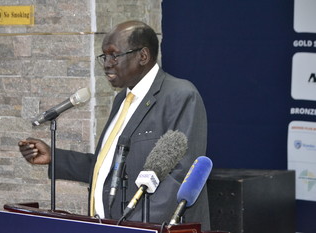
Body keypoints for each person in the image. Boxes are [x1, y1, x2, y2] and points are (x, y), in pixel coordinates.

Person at [18, 20, 210, 229]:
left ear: (143, 56)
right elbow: (108, 167)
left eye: (114, 55)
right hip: (109, 225)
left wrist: (133, 227)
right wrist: (54, 157)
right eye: (104, 56)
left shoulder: (179, 95)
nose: (107, 63)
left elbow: (180, 177)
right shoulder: (122, 100)